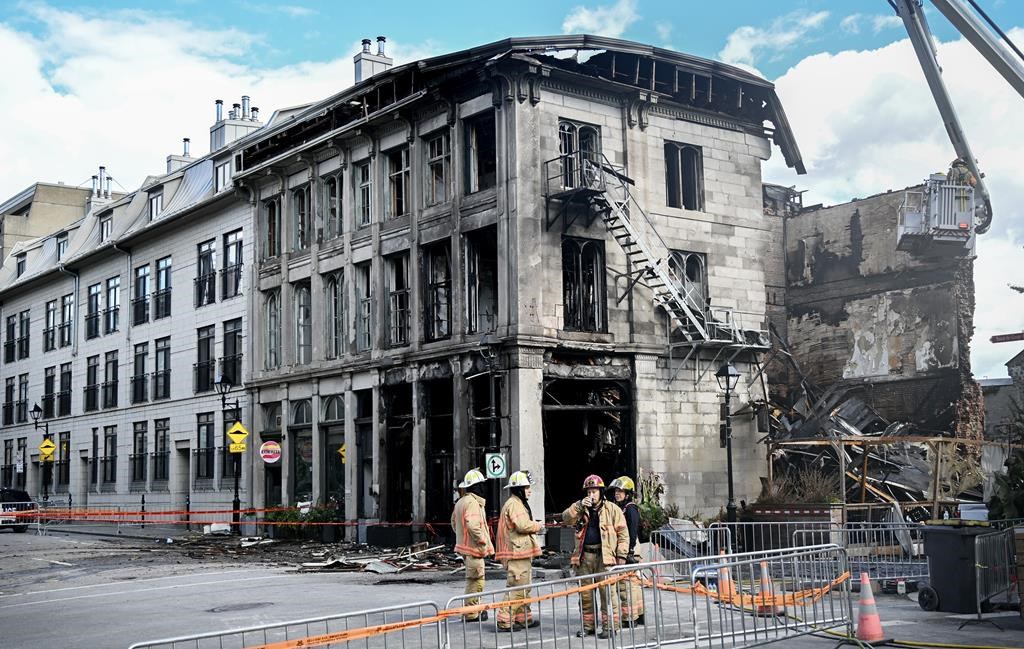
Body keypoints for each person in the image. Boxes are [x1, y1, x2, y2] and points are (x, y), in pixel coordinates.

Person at [562, 474, 629, 639]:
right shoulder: (580, 509)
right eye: (589, 492)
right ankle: (588, 627)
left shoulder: (613, 509)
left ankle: (610, 627)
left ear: (601, 492)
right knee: (585, 594)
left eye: (594, 491)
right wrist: (577, 506)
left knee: (607, 593)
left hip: (604, 557)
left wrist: (621, 556)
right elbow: (565, 518)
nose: (591, 495)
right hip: (585, 557)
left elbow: (623, 534)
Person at [495, 470, 543, 631]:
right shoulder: (515, 504)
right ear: (518, 489)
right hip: (516, 554)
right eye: (527, 487)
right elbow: (522, 525)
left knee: (524, 588)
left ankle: (523, 619)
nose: (529, 490)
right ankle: (504, 621)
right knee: (517, 589)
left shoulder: (516, 503)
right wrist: (538, 526)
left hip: (520, 554)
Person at [451, 468, 494, 622]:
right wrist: (482, 540)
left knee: (472, 579)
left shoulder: (461, 502)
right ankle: (472, 612)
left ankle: (472, 609)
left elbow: (454, 524)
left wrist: (462, 538)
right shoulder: (473, 503)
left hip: (465, 548)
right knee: (477, 581)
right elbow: (473, 526)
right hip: (473, 549)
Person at [608, 476, 645, 626]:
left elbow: (632, 530)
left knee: (625, 585)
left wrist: (628, 551)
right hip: (629, 547)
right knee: (634, 584)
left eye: (621, 491)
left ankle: (630, 619)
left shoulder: (630, 508)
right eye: (616, 490)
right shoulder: (624, 507)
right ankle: (639, 615)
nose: (617, 493)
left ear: (628, 493)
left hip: (630, 547)